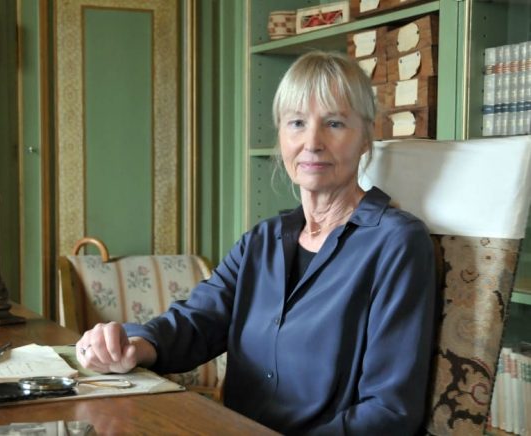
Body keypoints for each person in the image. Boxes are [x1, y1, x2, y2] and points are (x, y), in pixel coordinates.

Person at [76, 51, 436, 434]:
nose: (312, 142)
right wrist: (132, 344)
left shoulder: (396, 243)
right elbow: (199, 321)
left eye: (334, 123)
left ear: (366, 136)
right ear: (281, 136)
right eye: (296, 123)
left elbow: (390, 410)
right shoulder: (263, 240)